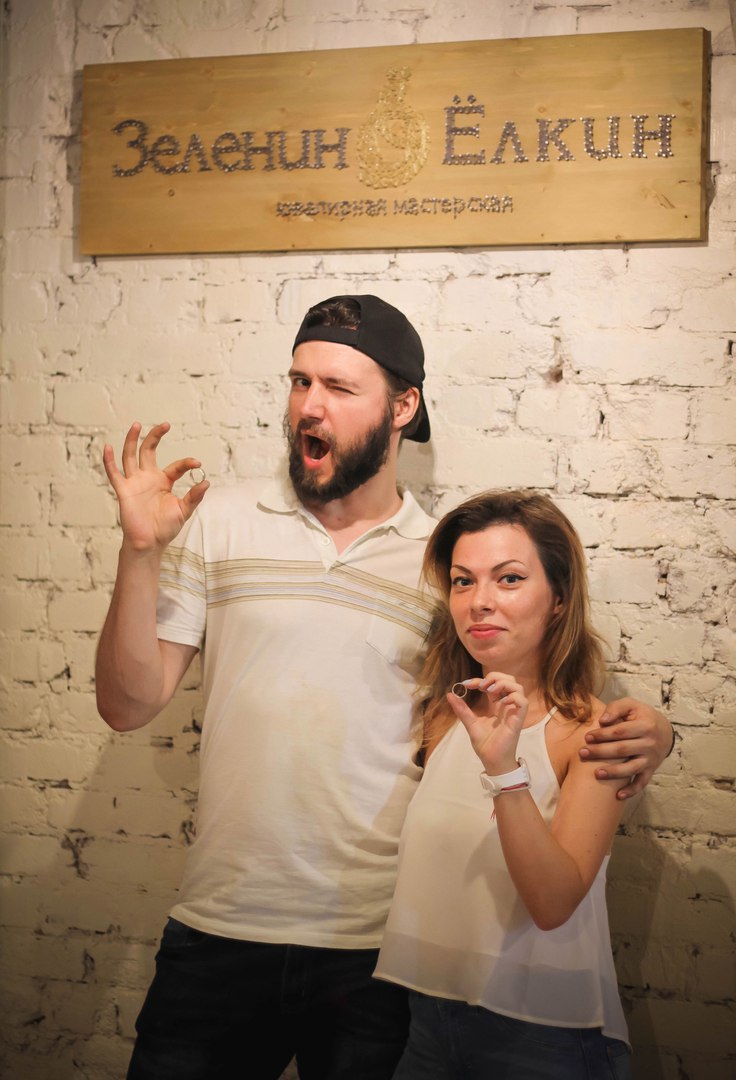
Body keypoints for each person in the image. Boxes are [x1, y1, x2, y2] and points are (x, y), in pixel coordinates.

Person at [96, 295, 671, 1080]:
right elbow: (127, 706)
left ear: (403, 408)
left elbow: (537, 694)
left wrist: (653, 730)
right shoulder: (218, 520)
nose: (310, 405)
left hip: (375, 951)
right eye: (299, 382)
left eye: (338, 386)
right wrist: (139, 553)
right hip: (219, 926)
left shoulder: (445, 567)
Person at [374, 490, 639, 1079]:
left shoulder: (591, 733)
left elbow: (552, 903)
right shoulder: (442, 717)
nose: (479, 602)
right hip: (427, 1020)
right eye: (462, 581)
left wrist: (505, 770)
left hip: (545, 1037)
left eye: (510, 578)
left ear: (559, 599)